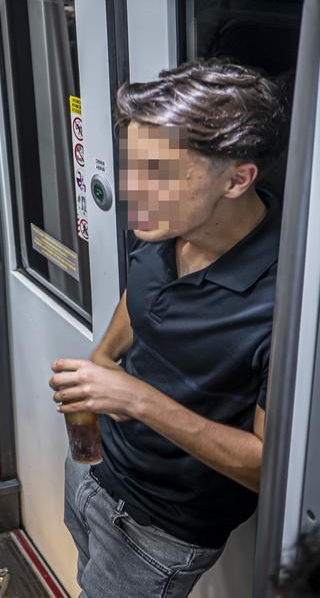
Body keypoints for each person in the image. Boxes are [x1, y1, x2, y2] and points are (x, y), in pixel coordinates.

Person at [50, 58, 289, 598]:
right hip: (93, 469)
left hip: (160, 529)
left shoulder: (284, 303)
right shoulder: (165, 228)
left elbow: (268, 468)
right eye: (131, 166)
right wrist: (102, 363)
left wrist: (135, 398)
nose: (131, 190)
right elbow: (144, 295)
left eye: (156, 172)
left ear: (237, 179)